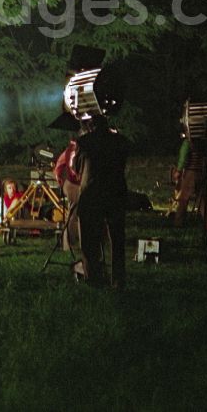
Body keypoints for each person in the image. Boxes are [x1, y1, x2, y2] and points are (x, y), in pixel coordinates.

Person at [74, 116, 129, 289]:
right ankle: (118, 280)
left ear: (91, 126)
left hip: (92, 193)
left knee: (89, 240)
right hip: (115, 193)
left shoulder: (84, 141)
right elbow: (122, 164)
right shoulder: (121, 141)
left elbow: (77, 167)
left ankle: (94, 278)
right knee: (117, 239)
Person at [172, 136, 207, 229]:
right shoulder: (203, 142)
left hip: (191, 173)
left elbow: (183, 157)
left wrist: (178, 170)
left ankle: (178, 223)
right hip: (202, 173)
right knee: (201, 199)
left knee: (183, 199)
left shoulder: (188, 142)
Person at [53, 137, 82, 250]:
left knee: (74, 214)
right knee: (75, 215)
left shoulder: (68, 150)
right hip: (74, 184)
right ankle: (70, 244)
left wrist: (62, 182)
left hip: (70, 183)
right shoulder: (78, 150)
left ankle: (71, 244)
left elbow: (58, 168)